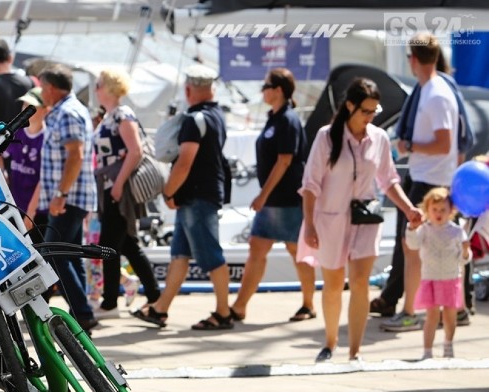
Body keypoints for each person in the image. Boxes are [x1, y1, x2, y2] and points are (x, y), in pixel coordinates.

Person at [298, 78, 421, 363]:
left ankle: (355, 351)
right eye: (365, 111)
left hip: (366, 219)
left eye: (373, 111)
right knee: (332, 285)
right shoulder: (326, 137)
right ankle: (330, 342)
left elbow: (389, 180)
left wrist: (408, 209)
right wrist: (310, 224)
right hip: (330, 220)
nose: (369, 117)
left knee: (360, 282)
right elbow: (310, 184)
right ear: (350, 106)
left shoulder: (378, 138)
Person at [132, 65, 233, 331]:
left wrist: (168, 191)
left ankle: (224, 313)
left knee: (212, 256)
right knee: (180, 255)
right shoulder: (217, 116)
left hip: (196, 197)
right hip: (202, 194)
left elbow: (185, 161)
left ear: (189, 90)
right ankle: (160, 309)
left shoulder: (194, 120)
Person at [380, 33, 464, 333]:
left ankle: (411, 312)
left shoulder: (436, 94)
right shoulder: (435, 89)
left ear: (414, 60)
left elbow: (443, 144)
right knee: (423, 246)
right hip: (429, 177)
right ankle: (450, 308)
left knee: (414, 247)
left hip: (430, 180)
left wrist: (409, 146)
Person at [229, 68, 316, 323]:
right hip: (273, 201)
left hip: (286, 199)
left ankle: (309, 304)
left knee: (295, 251)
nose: (263, 91)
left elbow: (285, 161)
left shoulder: (288, 120)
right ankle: (240, 306)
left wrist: (262, 194)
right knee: (257, 247)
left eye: (266, 86)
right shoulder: (274, 118)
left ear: (278, 90)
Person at [92, 68, 161, 317]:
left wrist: (119, 184)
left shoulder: (122, 115)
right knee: (128, 244)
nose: (96, 89)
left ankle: (110, 302)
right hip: (111, 187)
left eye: (99, 84)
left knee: (110, 245)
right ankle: (154, 294)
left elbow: (136, 151)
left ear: (109, 87)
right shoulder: (111, 115)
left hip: (118, 190)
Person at [37, 64, 99, 332]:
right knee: (70, 255)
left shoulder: (67, 113)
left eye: (42, 88)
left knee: (55, 254)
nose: (41, 93)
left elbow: (76, 154)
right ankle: (81, 313)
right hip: (72, 195)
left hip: (69, 196)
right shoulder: (70, 110)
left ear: (51, 88)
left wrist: (60, 194)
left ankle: (82, 314)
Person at [406, 187, 470, 360]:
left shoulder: (457, 231)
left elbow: (464, 259)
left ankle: (448, 345)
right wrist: (411, 228)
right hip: (430, 277)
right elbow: (413, 244)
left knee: (450, 316)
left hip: (451, 277)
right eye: (434, 210)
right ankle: (427, 350)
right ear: (427, 210)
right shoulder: (425, 229)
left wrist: (465, 252)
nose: (439, 213)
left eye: (443, 209)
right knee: (431, 316)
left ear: (451, 211)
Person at [1, 87, 48, 233]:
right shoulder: (18, 132)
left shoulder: (47, 138)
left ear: (45, 110)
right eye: (24, 105)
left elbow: (44, 180)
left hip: (37, 211)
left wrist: (31, 213)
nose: (25, 110)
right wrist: (2, 173)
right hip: (15, 206)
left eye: (31, 106)